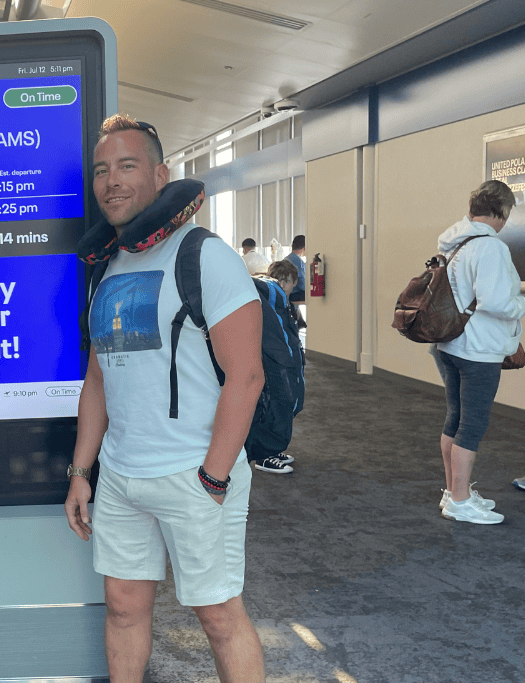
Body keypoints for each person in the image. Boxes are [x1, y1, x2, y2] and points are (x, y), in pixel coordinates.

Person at [66, 115, 265, 683]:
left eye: (127, 166)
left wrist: (215, 476)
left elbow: (246, 376)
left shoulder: (205, 255)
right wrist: (84, 470)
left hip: (195, 474)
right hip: (123, 476)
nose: (112, 181)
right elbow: (100, 380)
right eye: (102, 170)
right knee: (125, 609)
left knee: (218, 618)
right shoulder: (106, 266)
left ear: (160, 174)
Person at [433, 180, 525, 524]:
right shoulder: (491, 248)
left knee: (455, 419)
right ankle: (460, 501)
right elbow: (496, 303)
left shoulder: (455, 241)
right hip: (478, 350)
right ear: (503, 211)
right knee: (472, 425)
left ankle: (453, 492)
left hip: (449, 343)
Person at [245, 259, 302, 474]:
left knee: (281, 406)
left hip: (279, 362)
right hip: (274, 364)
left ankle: (274, 449)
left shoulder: (271, 299)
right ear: (289, 282)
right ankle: (263, 456)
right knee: (273, 405)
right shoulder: (270, 296)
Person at [284, 235, 306, 303]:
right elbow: (302, 284)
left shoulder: (287, 258)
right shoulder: (298, 261)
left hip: (286, 293)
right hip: (294, 294)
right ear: (305, 248)